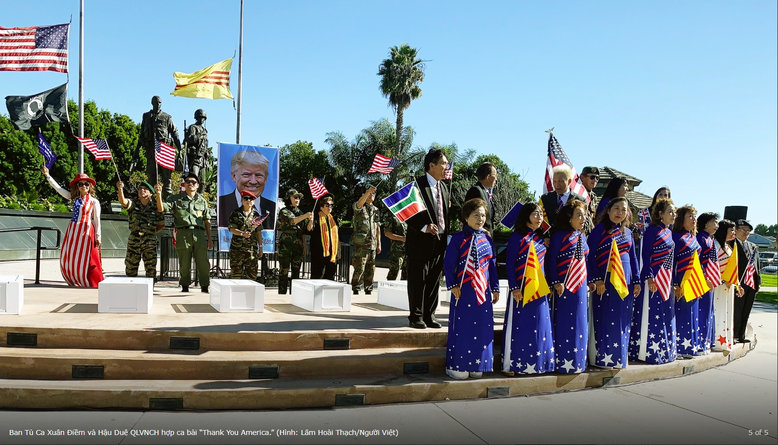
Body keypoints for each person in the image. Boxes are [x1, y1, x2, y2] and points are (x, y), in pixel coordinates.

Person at [443, 198, 500, 379]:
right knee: (463, 327)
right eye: (476, 215)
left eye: (483, 215)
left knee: (482, 328)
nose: (480, 219)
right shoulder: (459, 238)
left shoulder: (487, 239)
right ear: (466, 217)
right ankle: (458, 364)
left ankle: (478, 363)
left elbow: (492, 265)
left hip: (482, 293)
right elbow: (449, 263)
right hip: (463, 291)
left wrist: (495, 288)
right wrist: (452, 285)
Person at [502, 202, 555, 376]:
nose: (539, 218)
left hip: (539, 290)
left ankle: (538, 364)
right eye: (535, 214)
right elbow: (510, 264)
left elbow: (544, 265)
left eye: (541, 214)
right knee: (520, 327)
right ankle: (513, 364)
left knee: (539, 326)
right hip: (522, 289)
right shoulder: (517, 237)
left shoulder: (540, 239)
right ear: (526, 216)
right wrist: (515, 287)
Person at [587, 197, 641, 369]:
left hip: (626, 285)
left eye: (623, 210)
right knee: (605, 319)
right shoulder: (599, 231)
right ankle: (602, 358)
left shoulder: (628, 233)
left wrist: (637, 281)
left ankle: (619, 358)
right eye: (616, 208)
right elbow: (590, 258)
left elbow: (633, 259)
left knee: (622, 321)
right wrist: (597, 279)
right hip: (605, 285)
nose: (619, 212)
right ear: (608, 211)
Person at [405, 149, 450, 329]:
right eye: (443, 164)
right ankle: (416, 317)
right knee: (418, 281)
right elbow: (406, 213)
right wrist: (424, 227)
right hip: (419, 243)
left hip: (439, 243)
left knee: (433, 280)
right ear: (431, 165)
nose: (446, 167)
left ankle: (429, 315)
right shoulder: (416, 185)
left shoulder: (444, 188)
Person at [546, 200, 593, 373]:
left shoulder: (582, 236)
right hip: (564, 287)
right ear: (569, 218)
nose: (583, 219)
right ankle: (563, 361)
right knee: (565, 323)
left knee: (580, 322)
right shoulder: (559, 236)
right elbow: (551, 260)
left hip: (580, 287)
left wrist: (591, 281)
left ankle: (578, 361)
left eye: (584, 215)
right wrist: (556, 281)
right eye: (579, 215)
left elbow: (586, 261)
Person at [629, 198, 677, 364]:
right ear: (660, 213)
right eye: (670, 211)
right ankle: (647, 351)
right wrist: (649, 277)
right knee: (651, 314)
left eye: (674, 212)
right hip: (653, 280)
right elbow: (645, 255)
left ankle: (664, 350)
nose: (673, 215)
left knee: (665, 314)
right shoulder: (652, 230)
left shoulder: (669, 232)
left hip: (666, 280)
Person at [42, 166, 104, 287]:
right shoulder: (74, 198)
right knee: (70, 255)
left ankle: (92, 280)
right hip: (73, 230)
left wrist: (98, 236)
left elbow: (97, 220)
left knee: (89, 256)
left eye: (86, 184)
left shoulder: (94, 201)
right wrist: (48, 176)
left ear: (90, 186)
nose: (83, 186)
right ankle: (75, 277)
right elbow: (59, 189)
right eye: (80, 184)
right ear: (77, 186)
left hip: (86, 230)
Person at [156, 173, 213, 293]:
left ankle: (204, 286)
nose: (190, 184)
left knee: (203, 262)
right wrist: (158, 194)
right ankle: (185, 286)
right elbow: (161, 208)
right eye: (188, 181)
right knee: (184, 263)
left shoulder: (202, 201)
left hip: (199, 234)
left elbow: (207, 221)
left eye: (193, 182)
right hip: (183, 233)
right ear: (184, 184)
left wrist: (210, 239)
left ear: (197, 185)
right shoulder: (176, 199)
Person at [672, 206, 703, 357]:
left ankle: (691, 346)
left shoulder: (693, 237)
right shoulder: (676, 237)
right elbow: (671, 263)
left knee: (693, 314)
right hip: (681, 281)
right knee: (682, 313)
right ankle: (679, 348)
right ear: (681, 219)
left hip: (694, 282)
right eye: (690, 216)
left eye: (694, 216)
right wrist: (675, 284)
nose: (693, 219)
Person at [136, 95, 181, 199]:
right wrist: (136, 151)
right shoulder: (146, 116)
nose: (158, 104)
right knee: (151, 177)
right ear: (152, 103)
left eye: (159, 102)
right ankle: (151, 203)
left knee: (167, 178)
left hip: (164, 150)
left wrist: (180, 151)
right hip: (151, 150)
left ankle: (167, 202)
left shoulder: (167, 117)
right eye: (156, 102)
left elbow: (175, 134)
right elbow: (142, 134)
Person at [117, 180, 163, 280]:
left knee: (150, 269)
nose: (142, 190)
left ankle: (150, 292)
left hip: (149, 240)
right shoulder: (134, 204)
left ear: (151, 193)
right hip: (134, 239)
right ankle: (131, 291)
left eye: (145, 189)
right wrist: (120, 189)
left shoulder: (156, 205)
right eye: (140, 189)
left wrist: (149, 231)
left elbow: (161, 224)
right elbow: (123, 202)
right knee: (130, 269)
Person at [218, 149, 276, 229]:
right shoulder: (222, 203)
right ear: (234, 176)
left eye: (259, 175)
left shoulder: (272, 207)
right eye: (246, 174)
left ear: (265, 178)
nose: (253, 181)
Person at [276, 188, 312, 294]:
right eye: (295, 197)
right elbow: (292, 221)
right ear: (289, 198)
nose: (297, 199)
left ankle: (295, 295)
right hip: (285, 246)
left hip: (298, 246)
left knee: (296, 272)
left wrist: (310, 221)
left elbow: (306, 230)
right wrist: (305, 216)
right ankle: (282, 294)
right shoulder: (284, 211)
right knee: (284, 271)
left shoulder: (300, 212)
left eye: (299, 198)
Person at [712, 219, 740, 351]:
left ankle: (726, 340)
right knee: (718, 311)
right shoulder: (715, 245)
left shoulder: (728, 247)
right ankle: (717, 341)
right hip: (718, 285)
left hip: (728, 287)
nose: (734, 233)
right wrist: (724, 280)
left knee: (727, 312)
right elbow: (713, 266)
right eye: (731, 230)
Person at [696, 212, 720, 355]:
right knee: (702, 311)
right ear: (705, 223)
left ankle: (706, 341)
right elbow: (697, 262)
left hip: (709, 280)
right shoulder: (700, 238)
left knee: (708, 311)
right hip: (703, 280)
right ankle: (699, 342)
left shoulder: (709, 239)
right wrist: (705, 278)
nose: (717, 225)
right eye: (714, 222)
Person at [733, 219, 761, 343]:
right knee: (737, 310)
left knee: (746, 310)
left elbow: (757, 266)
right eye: (744, 230)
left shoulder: (752, 246)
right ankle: (734, 335)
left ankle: (742, 336)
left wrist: (758, 282)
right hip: (739, 284)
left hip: (751, 284)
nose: (746, 233)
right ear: (736, 230)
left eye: (748, 231)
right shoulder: (731, 244)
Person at [350, 185, 381, 295]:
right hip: (361, 244)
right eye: (369, 193)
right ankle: (356, 287)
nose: (372, 195)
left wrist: (379, 244)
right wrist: (368, 191)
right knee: (360, 267)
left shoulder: (375, 209)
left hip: (372, 244)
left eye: (373, 193)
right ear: (364, 194)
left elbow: (377, 227)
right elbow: (358, 205)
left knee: (371, 268)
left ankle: (368, 288)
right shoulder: (360, 206)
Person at [227, 190, 263, 280]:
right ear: (242, 201)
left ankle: (249, 294)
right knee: (236, 276)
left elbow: (258, 232)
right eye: (246, 198)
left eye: (251, 199)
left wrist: (261, 247)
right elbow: (231, 229)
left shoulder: (256, 215)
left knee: (251, 276)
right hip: (237, 249)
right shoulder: (236, 213)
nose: (248, 200)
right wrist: (242, 233)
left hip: (251, 250)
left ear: (254, 201)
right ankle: (235, 294)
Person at [539, 165, 585, 229]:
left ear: (569, 181)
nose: (557, 185)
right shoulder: (545, 199)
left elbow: (584, 224)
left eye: (560, 181)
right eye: (554, 181)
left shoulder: (580, 201)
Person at [306, 193, 339, 280]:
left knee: (330, 276)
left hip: (331, 253)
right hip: (318, 253)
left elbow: (337, 236)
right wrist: (310, 221)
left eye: (331, 205)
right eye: (327, 205)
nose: (330, 207)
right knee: (317, 276)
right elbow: (309, 229)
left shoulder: (333, 219)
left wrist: (338, 251)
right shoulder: (316, 217)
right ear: (321, 206)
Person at [464, 162, 498, 236]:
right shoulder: (476, 191)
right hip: (476, 238)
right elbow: (467, 214)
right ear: (488, 177)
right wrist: (481, 229)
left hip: (486, 238)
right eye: (495, 175)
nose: (496, 179)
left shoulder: (486, 192)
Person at [184, 109, 209, 185]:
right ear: (196, 118)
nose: (202, 120)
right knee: (193, 179)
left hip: (202, 158)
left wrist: (207, 157)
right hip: (194, 157)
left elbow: (205, 145)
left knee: (202, 182)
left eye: (203, 118)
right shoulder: (193, 127)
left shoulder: (204, 130)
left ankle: (199, 196)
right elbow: (191, 139)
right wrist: (200, 135)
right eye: (200, 117)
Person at [384, 216, 407, 280]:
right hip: (397, 250)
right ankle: (389, 288)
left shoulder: (408, 218)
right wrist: (401, 238)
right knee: (394, 271)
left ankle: (403, 289)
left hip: (408, 250)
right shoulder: (392, 217)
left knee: (407, 273)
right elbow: (387, 233)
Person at [579, 166, 600, 235]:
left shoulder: (594, 197)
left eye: (597, 178)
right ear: (582, 177)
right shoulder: (577, 194)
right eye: (592, 177)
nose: (595, 180)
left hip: (590, 233)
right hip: (579, 232)